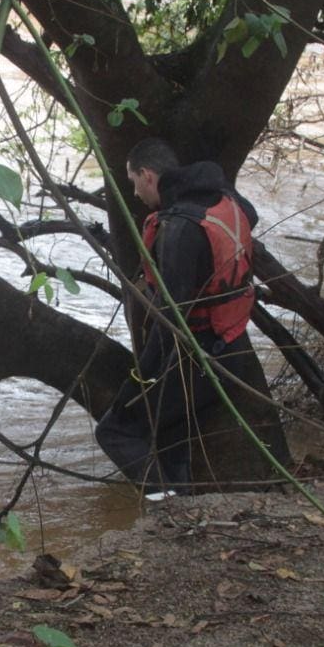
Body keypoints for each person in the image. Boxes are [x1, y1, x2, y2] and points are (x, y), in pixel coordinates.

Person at [94, 138, 259, 492]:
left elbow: (172, 321)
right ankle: (181, 503)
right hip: (230, 349)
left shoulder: (179, 227)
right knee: (170, 432)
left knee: (113, 430)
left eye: (133, 182)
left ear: (148, 175)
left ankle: (165, 506)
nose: (135, 193)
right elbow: (242, 228)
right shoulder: (225, 199)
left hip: (199, 361)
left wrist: (140, 380)